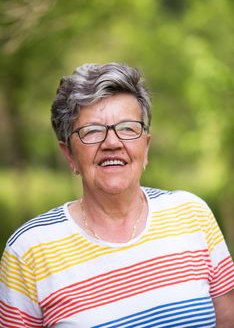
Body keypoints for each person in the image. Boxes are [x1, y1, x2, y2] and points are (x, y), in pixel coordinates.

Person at [0, 63, 234, 328]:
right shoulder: (29, 251)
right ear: (69, 155)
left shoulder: (192, 215)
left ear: (145, 146)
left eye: (127, 128)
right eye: (92, 131)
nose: (112, 143)